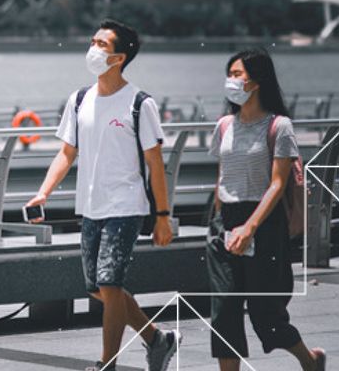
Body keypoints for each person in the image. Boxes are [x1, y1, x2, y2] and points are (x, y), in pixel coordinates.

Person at [26, 19, 180, 371]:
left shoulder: (140, 103)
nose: (93, 49)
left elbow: (155, 164)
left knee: (110, 285)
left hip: (125, 206)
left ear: (119, 58)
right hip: (90, 207)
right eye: (92, 41)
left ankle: (106, 364)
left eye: (102, 45)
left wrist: (162, 216)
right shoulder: (80, 99)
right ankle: (158, 339)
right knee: (97, 288)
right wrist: (43, 193)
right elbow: (66, 153)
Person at [207, 48, 326, 371]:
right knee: (224, 311)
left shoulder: (279, 126)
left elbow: (277, 183)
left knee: (267, 314)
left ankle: (310, 360)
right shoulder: (223, 126)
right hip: (225, 223)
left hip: (264, 222)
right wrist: (220, 223)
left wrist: (250, 228)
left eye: (237, 74)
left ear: (256, 81)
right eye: (229, 74)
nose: (230, 81)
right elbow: (222, 175)